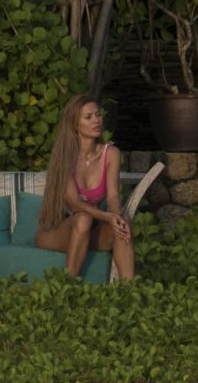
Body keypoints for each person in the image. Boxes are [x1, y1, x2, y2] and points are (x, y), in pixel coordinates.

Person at [35, 95, 134, 280]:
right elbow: (75, 203)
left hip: (90, 230)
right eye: (88, 117)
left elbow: (113, 196)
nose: (96, 120)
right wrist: (107, 216)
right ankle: (67, 286)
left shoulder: (111, 154)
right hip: (56, 231)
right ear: (75, 124)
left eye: (98, 115)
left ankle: (130, 289)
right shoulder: (65, 158)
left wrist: (116, 216)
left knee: (124, 221)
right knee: (83, 219)